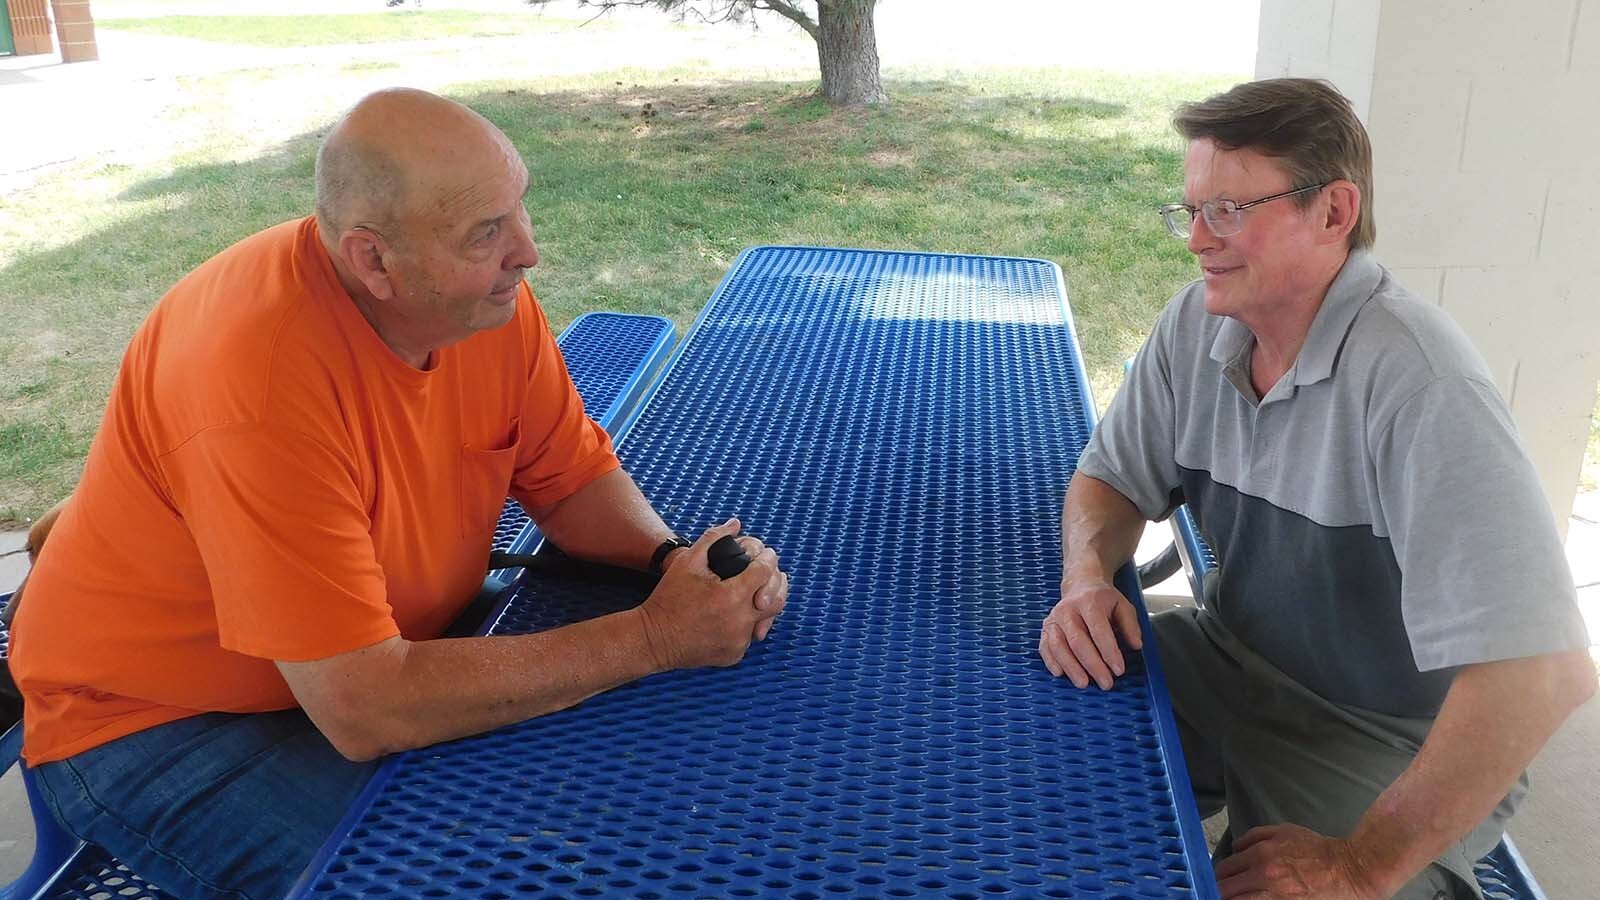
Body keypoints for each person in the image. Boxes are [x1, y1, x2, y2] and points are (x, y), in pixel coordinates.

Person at [10, 87, 789, 900]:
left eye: (518, 209)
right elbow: (369, 709)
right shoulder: (261, 389)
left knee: (632, 824)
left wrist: (672, 563)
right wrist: (656, 638)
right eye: (486, 233)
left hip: (371, 656)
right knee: (485, 879)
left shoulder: (478, 307)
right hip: (163, 719)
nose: (527, 251)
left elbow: (570, 476)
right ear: (374, 259)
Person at [1037, 78, 1594, 900]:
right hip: (1231, 659)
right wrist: (1086, 577)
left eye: (1227, 210)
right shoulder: (1198, 325)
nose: (1195, 239)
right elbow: (1106, 480)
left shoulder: (1421, 384)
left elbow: (1544, 672)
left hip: (1383, 735)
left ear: (1334, 212)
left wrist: (1360, 866)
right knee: (1014, 743)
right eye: (1188, 210)